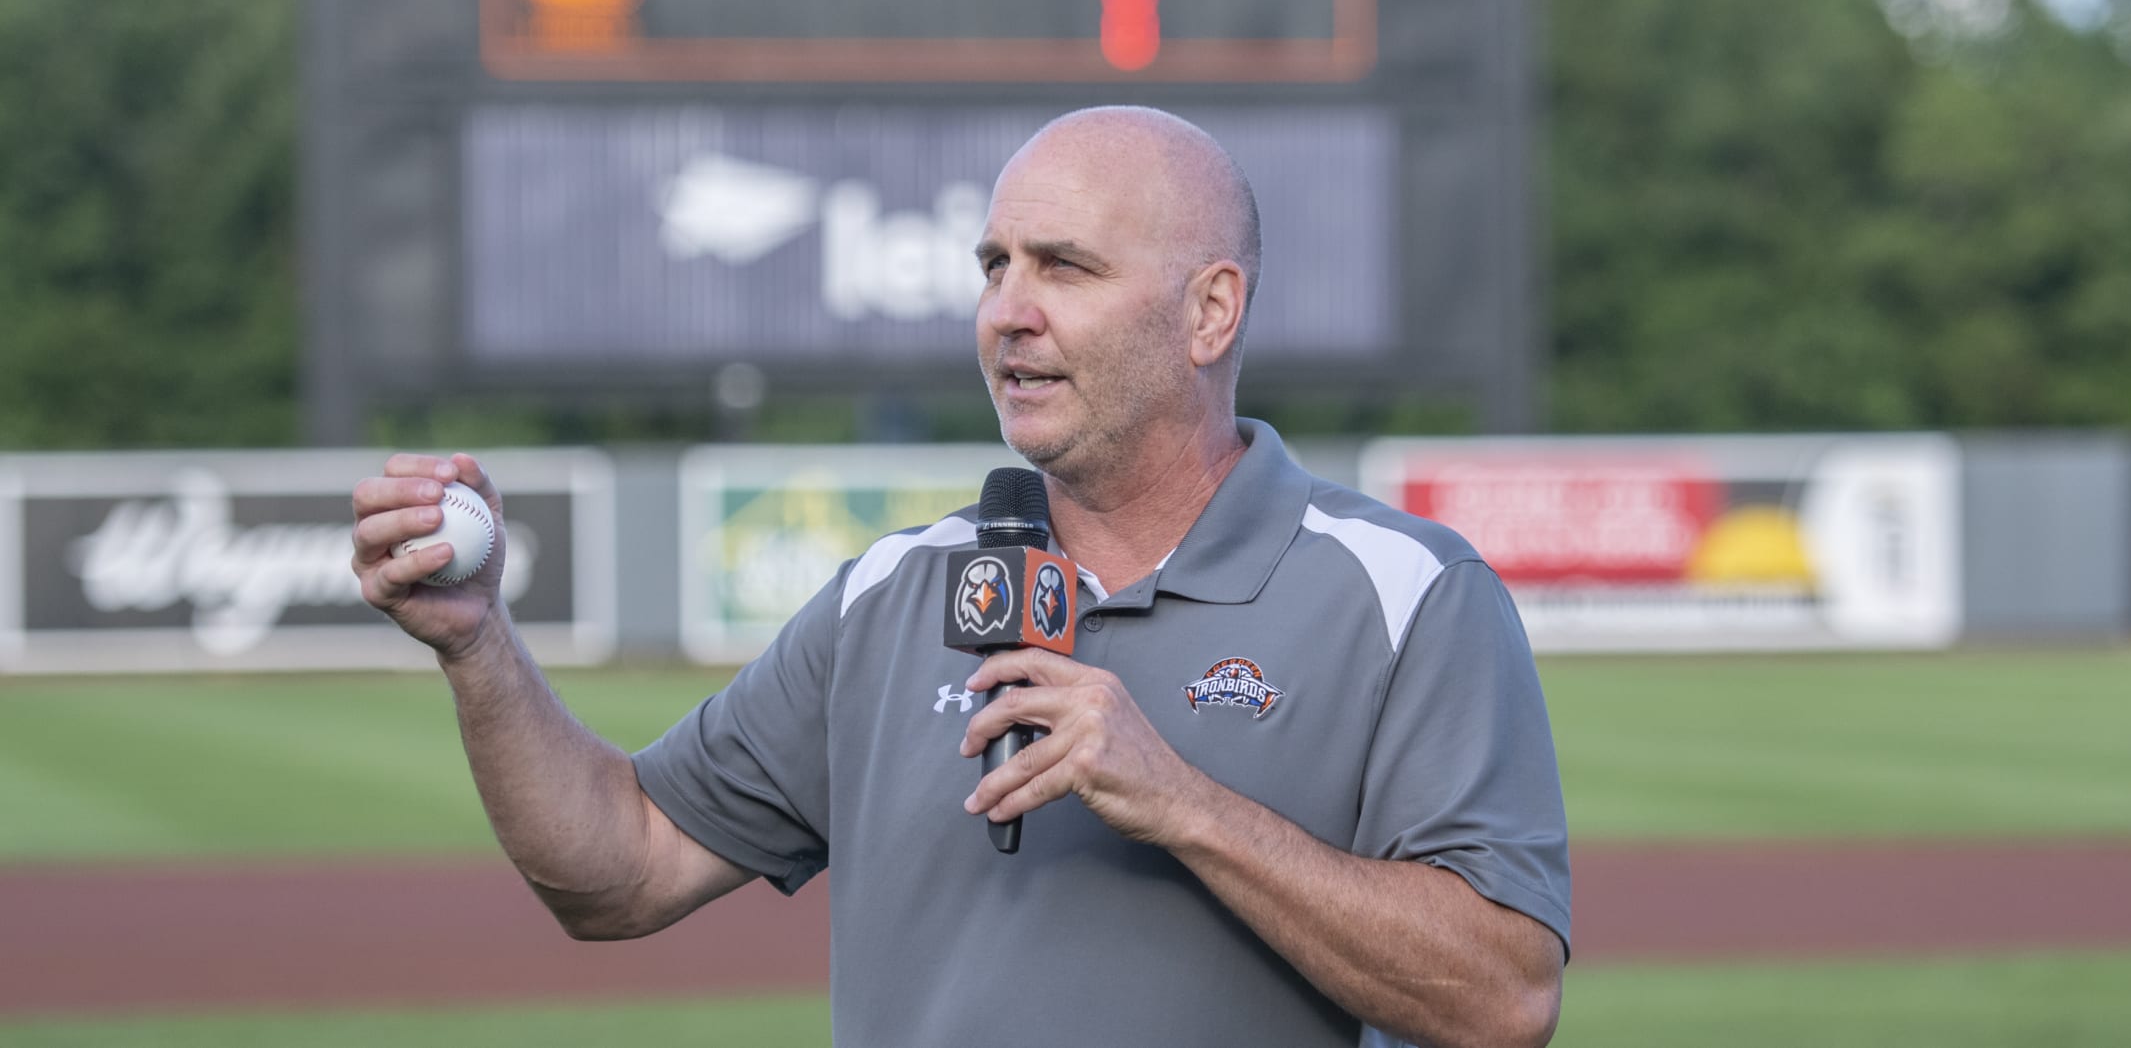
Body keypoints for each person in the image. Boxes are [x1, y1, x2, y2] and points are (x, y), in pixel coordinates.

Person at [351, 107, 1569, 1048]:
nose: (1006, 313)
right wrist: (476, 644)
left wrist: (1182, 801)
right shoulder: (892, 593)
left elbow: (1504, 1001)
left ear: (1211, 313)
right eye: (993, 266)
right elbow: (621, 868)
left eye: (1065, 268)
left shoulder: (1410, 594)